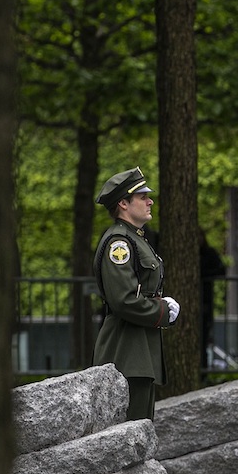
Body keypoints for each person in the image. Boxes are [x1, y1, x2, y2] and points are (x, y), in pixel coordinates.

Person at [91, 168, 178, 420]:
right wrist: (162, 311)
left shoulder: (135, 238)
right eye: (142, 196)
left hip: (138, 349)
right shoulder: (119, 243)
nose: (150, 201)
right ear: (123, 203)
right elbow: (124, 300)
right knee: (129, 431)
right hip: (126, 351)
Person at [199, 232, 226, 367]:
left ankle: (203, 368)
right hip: (200, 297)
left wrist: (202, 275)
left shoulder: (209, 254)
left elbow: (221, 270)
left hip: (205, 298)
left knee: (204, 335)